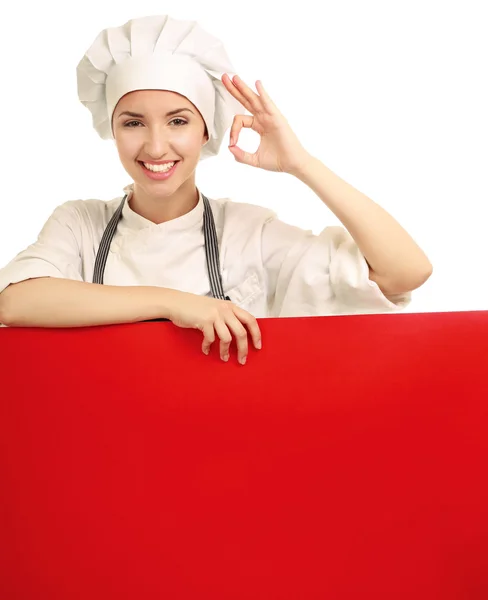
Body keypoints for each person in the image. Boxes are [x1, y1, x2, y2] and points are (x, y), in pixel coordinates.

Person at [0, 15, 432, 365]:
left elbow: (405, 272)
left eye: (178, 121)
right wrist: (176, 305)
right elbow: (13, 301)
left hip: (226, 453)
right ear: (110, 128)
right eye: (133, 122)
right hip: (110, 450)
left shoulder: (249, 231)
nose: (155, 146)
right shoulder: (80, 224)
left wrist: (303, 164)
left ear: (206, 129)